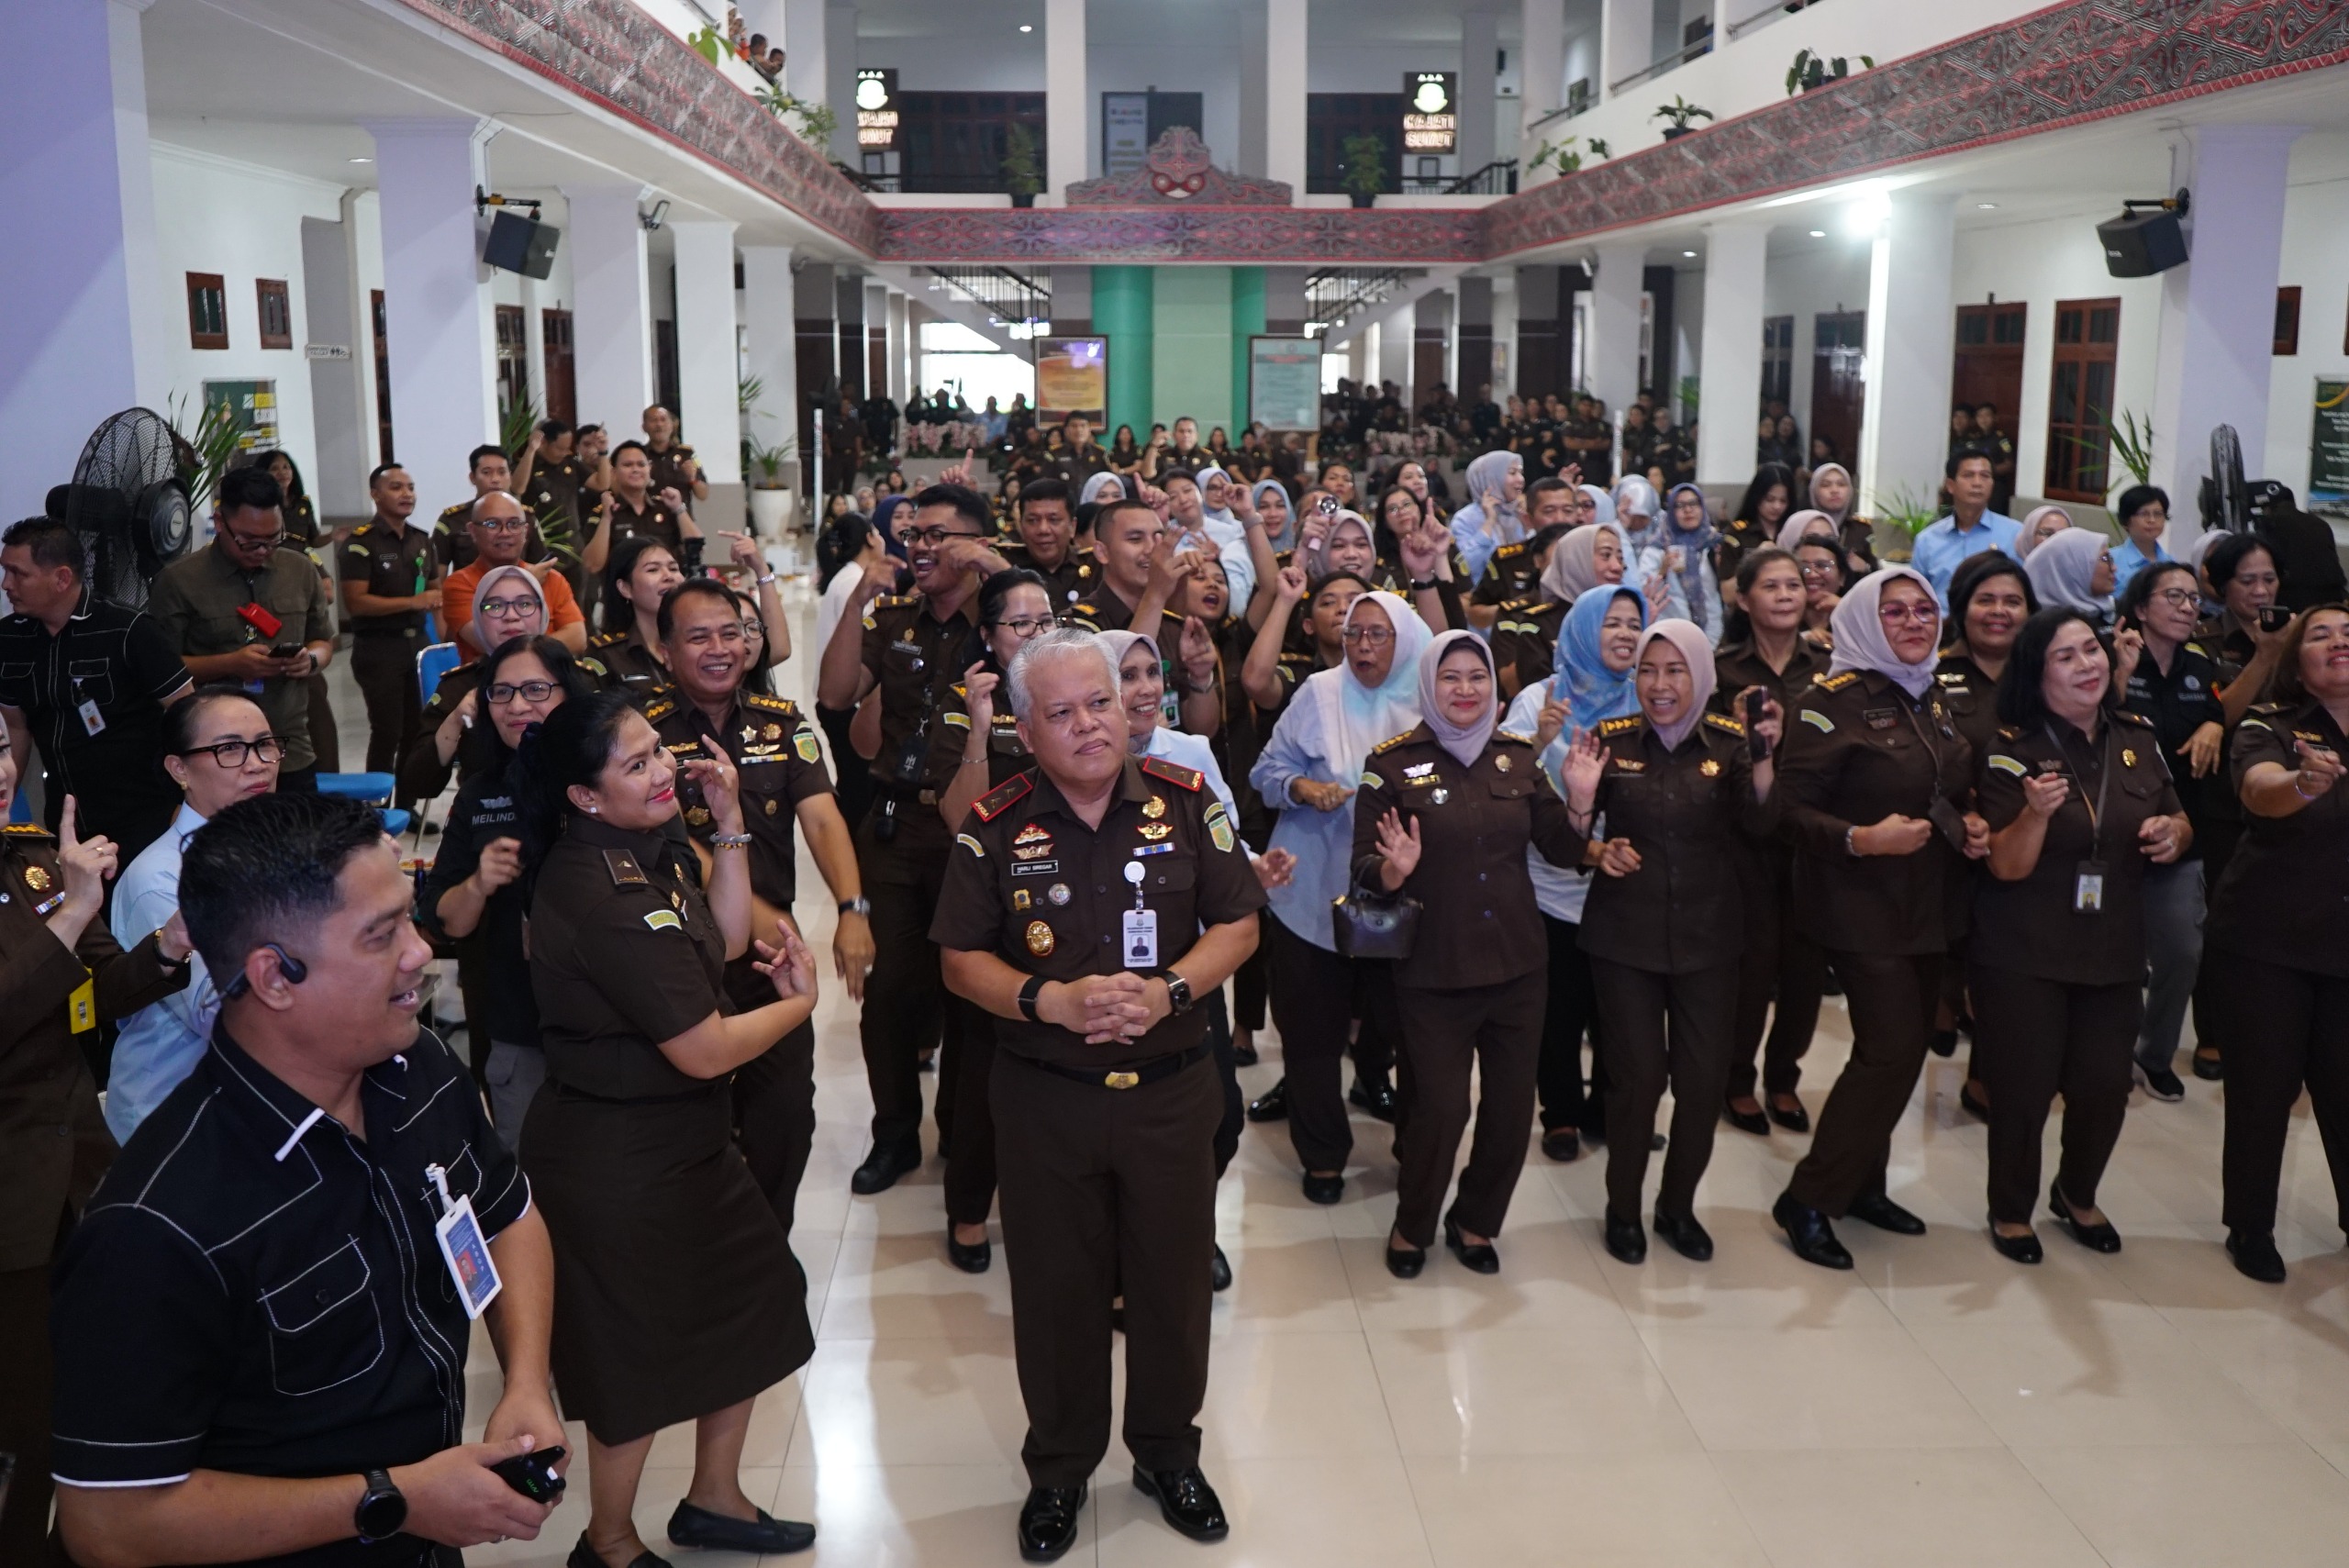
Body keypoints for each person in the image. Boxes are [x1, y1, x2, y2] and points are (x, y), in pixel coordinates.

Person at [46, 794, 557, 1568]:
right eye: (383, 934)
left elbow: (506, 1213)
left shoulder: (416, 1069)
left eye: (409, 918)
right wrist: (394, 1497)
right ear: (274, 976)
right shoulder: (156, 1226)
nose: (420, 952)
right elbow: (107, 1522)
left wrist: (524, 1384)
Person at [933, 628, 1264, 1562]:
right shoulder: (994, 823)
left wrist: (1170, 991)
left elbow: (1239, 922)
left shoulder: (1187, 800)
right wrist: (1047, 999)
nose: (1089, 725)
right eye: (1063, 712)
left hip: (1170, 1092)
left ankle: (1167, 1453)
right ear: (1027, 729)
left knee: (1173, 1285)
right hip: (1046, 1098)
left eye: (1102, 703)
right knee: (1054, 1290)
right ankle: (1060, 1466)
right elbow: (959, 959)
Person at [518, 692, 821, 1565]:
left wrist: (728, 823)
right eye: (638, 763)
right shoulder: (599, 892)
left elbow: (720, 940)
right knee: (637, 1359)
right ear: (584, 796)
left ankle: (713, 1497)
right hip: (618, 1159)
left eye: (659, 751)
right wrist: (798, 1005)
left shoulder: (646, 849)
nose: (664, 771)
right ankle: (608, 1540)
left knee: (757, 1303)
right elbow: (703, 1047)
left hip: (688, 1144)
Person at [0, 754, 191, 1563]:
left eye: (0, 748)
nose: (0, 768)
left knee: (98, 1399)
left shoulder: (32, 855)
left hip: (82, 1175)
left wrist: (170, 947)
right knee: (23, 1426)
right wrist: (75, 909)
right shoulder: (60, 879)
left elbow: (97, 989)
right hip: (10, 1200)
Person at [1771, 567, 1989, 1269]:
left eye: (1924, 610)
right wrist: (1860, 838)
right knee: (1890, 1049)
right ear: (1866, 619)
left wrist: (1967, 822)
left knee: (1904, 1047)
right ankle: (1809, 1196)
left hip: (1928, 902)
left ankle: (1863, 1183)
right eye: (1895, 612)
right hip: (1857, 905)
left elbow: (1939, 787)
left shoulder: (1931, 692)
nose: (1914, 623)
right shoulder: (1826, 703)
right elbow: (1787, 812)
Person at [650, 580, 871, 1240]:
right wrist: (763, 913)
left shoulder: (780, 723)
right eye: (699, 637)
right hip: (679, 965)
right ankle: (707, 1260)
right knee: (692, 1125)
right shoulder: (641, 733)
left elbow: (823, 818)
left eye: (732, 633)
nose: (721, 648)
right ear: (665, 651)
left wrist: (852, 908)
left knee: (784, 1119)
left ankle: (769, 1249)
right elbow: (669, 841)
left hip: (768, 964)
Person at [1355, 631, 1580, 1276]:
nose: (1465, 689)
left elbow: (1563, 848)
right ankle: (1414, 1224)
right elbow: (1362, 870)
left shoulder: (1519, 758)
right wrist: (1394, 870)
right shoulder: (1390, 764)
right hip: (1433, 968)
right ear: (1429, 686)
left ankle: (1476, 1219)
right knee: (1440, 1109)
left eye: (1477, 676)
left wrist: (1582, 801)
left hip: (1518, 965)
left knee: (1510, 1112)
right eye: (1449, 677)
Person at [1973, 608, 2188, 1262]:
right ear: (2036, 674)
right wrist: (2035, 815)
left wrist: (2174, 834)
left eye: (2091, 651)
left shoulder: (2137, 736)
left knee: (2103, 1087)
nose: (2087, 665)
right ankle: (2011, 1208)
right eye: (2065, 657)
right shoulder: (2008, 746)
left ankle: (2075, 1192)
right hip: (2025, 948)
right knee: (2023, 1088)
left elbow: (2177, 817)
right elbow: (2005, 864)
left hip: (2114, 947)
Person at [1564, 619, 1781, 1262]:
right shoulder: (1611, 740)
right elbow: (1568, 843)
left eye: (1675, 670)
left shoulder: (1732, 743)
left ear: (1701, 676)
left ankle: (1677, 1207)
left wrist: (1765, 759)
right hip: (1624, 939)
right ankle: (1622, 1207)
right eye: (1648, 671)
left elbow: (1764, 824)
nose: (1659, 685)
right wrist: (1584, 811)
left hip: (1709, 939)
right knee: (1636, 1081)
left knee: (1702, 1081)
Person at [818, 483, 1011, 1194]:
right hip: (897, 825)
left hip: (981, 831)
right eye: (914, 534)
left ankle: (962, 1132)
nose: (920, 546)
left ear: (976, 543)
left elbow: (1054, 661)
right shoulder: (894, 616)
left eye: (937, 535)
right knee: (890, 992)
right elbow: (835, 694)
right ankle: (894, 1133)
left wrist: (998, 577)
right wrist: (856, 604)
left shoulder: (1008, 620)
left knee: (971, 991)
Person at [1249, 591, 1427, 1198]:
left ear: (1406, 639)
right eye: (1354, 634)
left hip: (1400, 900)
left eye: (1378, 635)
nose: (1363, 647)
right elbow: (1265, 773)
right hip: (1314, 892)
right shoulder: (1319, 693)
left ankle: (1415, 1148)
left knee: (1411, 1032)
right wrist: (1303, 787)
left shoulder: (1428, 696)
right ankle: (1322, 1156)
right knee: (1310, 1034)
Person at [2206, 606, 2349, 1283]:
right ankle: (2251, 1226)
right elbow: (2259, 790)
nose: (2339, 641)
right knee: (2264, 1091)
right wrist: (2303, 783)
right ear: (2296, 661)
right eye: (2320, 635)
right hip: (2267, 943)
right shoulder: (2271, 725)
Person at [417, 636, 591, 1143]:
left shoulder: (607, 774)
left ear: (568, 693)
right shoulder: (481, 793)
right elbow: (443, 919)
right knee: (525, 1169)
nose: (516, 706)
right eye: (501, 692)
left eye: (536, 689)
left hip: (607, 1025)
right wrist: (479, 883)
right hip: (518, 1025)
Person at [1500, 583, 1649, 1159]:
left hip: (1624, 881)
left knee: (1620, 1011)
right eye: (1612, 623)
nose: (1625, 635)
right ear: (1584, 630)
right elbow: (1502, 779)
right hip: (1550, 886)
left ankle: (1609, 1111)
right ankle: (1559, 1114)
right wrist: (1540, 740)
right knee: (1558, 1012)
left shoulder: (1646, 697)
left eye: (1633, 624)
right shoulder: (1541, 698)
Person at [104, 687, 278, 1142]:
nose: (257, 763)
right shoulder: (160, 878)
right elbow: (219, 1014)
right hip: (174, 1116)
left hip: (258, 1103)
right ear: (179, 769)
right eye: (229, 749)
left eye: (264, 744)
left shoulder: (283, 846)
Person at [1711, 546, 1830, 1137]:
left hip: (1811, 834)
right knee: (1752, 966)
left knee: (1805, 968)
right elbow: (1706, 749)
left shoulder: (1828, 665)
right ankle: (1736, 1080)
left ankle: (1783, 1077)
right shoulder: (1721, 669)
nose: (1786, 595)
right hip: (1745, 836)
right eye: (1772, 586)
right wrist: (1737, 732)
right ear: (1743, 599)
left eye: (1794, 585)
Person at [0, 516, 193, 860]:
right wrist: (5, 798)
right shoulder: (10, 638)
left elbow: (188, 716)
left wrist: (188, 800)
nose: (6, 585)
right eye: (5, 571)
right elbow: (16, 728)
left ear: (62, 578)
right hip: (66, 818)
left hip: (143, 817)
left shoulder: (129, 630)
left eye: (18, 574)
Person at [2110, 561, 2226, 1101]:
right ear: (2140, 607)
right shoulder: (2109, 654)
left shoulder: (2201, 667)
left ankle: (2153, 1054)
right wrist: (2118, 672)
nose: (2187, 607)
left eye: (2193, 598)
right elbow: (2091, 721)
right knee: (2113, 955)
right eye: (2173, 597)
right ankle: (2105, 1055)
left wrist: (2214, 723)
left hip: (2180, 827)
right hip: (2113, 827)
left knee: (2182, 950)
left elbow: (2221, 710)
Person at [149, 465, 336, 791]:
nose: (262, 550)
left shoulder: (300, 571)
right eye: (249, 541)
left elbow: (323, 640)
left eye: (272, 539)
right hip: (218, 758)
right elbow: (162, 670)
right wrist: (231, 664)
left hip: (290, 747)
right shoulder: (179, 581)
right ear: (220, 522)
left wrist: (310, 660)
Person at [1932, 551, 2039, 1108]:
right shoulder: (1930, 675)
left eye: (2013, 601)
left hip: (2026, 844)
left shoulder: (2044, 677)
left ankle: (1984, 1081)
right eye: (1986, 600)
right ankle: (1945, 1001)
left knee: (2008, 975)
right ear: (1961, 609)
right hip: (1949, 848)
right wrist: (1961, 818)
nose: (1999, 611)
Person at [402, 563, 570, 806]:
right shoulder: (458, 687)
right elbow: (419, 784)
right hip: (485, 814)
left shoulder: (573, 677)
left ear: (543, 612)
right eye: (495, 606)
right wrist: (455, 721)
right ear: (478, 618)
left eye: (524, 604)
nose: (511, 616)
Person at [340, 463, 440, 796]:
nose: (407, 494)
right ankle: (377, 806)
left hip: (419, 645)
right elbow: (356, 602)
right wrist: (412, 602)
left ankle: (406, 806)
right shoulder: (360, 543)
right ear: (375, 495)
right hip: (379, 648)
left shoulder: (422, 540)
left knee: (416, 730)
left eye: (410, 487)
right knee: (387, 731)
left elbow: (435, 593)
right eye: (396, 487)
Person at [441, 490, 589, 658]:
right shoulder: (459, 584)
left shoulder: (552, 579)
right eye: (492, 524)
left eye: (514, 524)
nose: (504, 533)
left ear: (525, 531)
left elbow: (578, 639)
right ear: (473, 531)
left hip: (548, 673)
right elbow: (489, 643)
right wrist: (526, 582)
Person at [1909, 450, 2021, 597]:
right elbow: (1917, 596)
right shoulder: (1927, 540)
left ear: (1992, 484)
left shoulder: (2016, 534)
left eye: (1985, 476)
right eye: (1968, 475)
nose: (1977, 483)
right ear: (1950, 485)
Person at [582, 440, 699, 575]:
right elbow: (592, 565)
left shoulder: (666, 506)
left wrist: (679, 509)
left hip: (667, 585)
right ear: (614, 473)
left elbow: (697, 548)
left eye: (641, 464)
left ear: (649, 469)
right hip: (623, 586)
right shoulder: (605, 511)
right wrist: (606, 519)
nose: (635, 470)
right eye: (628, 465)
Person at [431, 443, 548, 573]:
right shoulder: (452, 520)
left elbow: (541, 567)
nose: (495, 479)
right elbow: (437, 576)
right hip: (469, 585)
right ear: (473, 478)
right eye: (486, 473)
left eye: (502, 472)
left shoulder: (525, 517)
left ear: (510, 476)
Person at [1000, 475, 1098, 607]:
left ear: (1072, 526)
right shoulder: (1005, 565)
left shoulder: (1095, 567)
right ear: (1021, 525)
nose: (1043, 529)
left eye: (1054, 520)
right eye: (1033, 520)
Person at [1645, 483, 1724, 641]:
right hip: (1670, 632)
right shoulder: (1657, 548)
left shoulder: (1715, 544)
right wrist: (1662, 570)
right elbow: (1644, 593)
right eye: (1680, 505)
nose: (1688, 510)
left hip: (1713, 630)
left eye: (1693, 503)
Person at [1448, 450, 1526, 585]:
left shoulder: (1519, 513)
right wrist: (1489, 523)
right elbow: (1465, 569)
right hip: (1482, 594)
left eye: (1521, 472)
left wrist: (1528, 524)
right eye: (1512, 473)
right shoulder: (1465, 519)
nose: (1521, 479)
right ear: (1490, 479)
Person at [2024, 523, 2116, 625]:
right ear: (2073, 569)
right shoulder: (2044, 628)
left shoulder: (2114, 612)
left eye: (2110, 558)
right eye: (2105, 558)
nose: (2114, 568)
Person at [640, 403, 709, 511]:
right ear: (644, 427)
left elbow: (703, 495)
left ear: (672, 425)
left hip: (680, 517)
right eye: (653, 420)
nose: (659, 424)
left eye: (663, 420)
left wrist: (693, 479)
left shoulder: (686, 454)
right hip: (648, 517)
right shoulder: (639, 456)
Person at [2108, 484, 2173, 597]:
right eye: (2143, 514)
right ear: (2126, 520)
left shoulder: (2171, 563)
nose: (2152, 520)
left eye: (2158, 514)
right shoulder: (2110, 561)